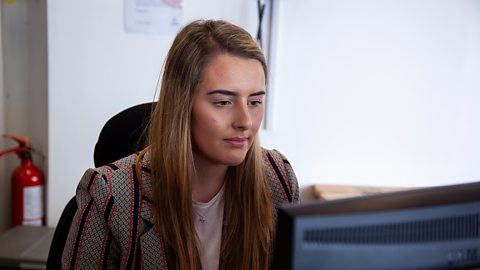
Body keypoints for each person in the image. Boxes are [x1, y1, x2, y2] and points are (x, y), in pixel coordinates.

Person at [62, 19, 299, 270]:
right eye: (223, 102)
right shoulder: (111, 197)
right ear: (181, 104)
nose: (245, 121)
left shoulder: (278, 178)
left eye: (254, 102)